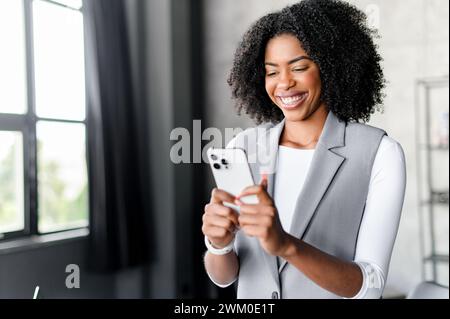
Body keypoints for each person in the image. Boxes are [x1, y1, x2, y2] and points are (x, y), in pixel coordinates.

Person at [201, 0, 406, 299]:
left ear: (330, 67)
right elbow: (225, 278)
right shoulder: (242, 148)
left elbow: (370, 286)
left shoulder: (380, 153)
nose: (284, 83)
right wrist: (218, 244)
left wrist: (286, 245)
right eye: (272, 72)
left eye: (299, 67)